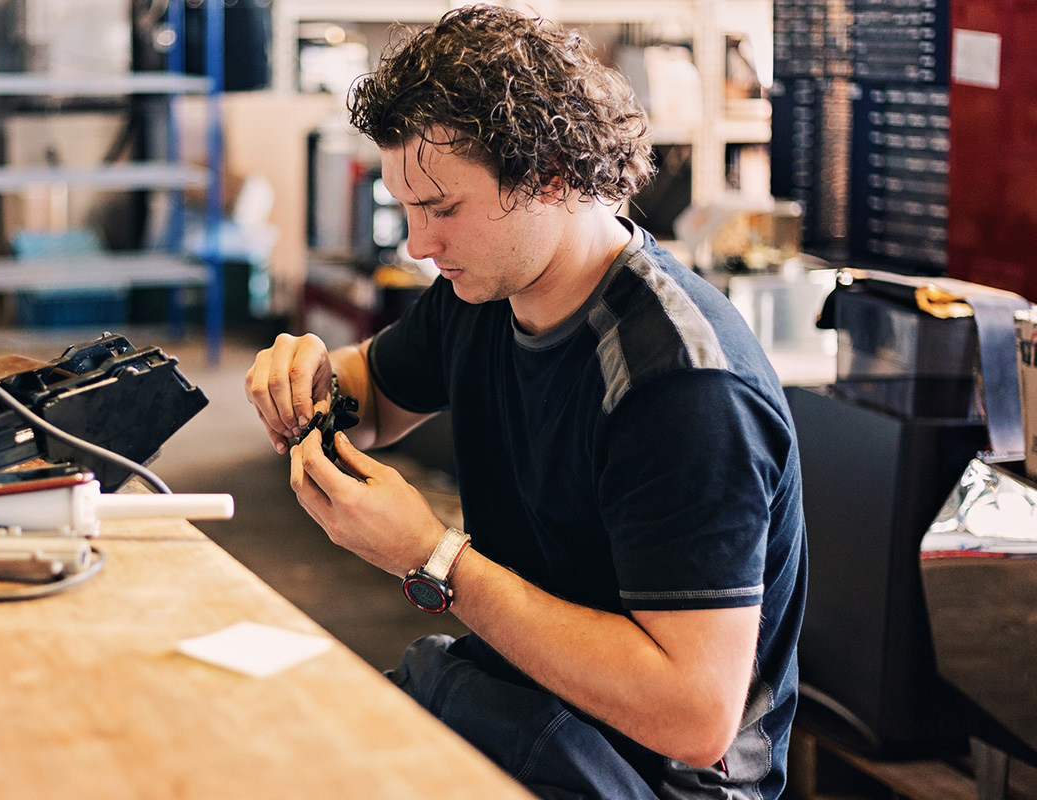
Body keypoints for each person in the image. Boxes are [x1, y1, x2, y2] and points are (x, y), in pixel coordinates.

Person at [244, 6, 806, 800]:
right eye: (406, 207)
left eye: (442, 209)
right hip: (521, 703)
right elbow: (371, 395)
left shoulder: (679, 387)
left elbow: (692, 717)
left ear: (548, 177)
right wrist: (311, 379)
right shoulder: (486, 292)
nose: (417, 244)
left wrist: (434, 557)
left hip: (650, 779)